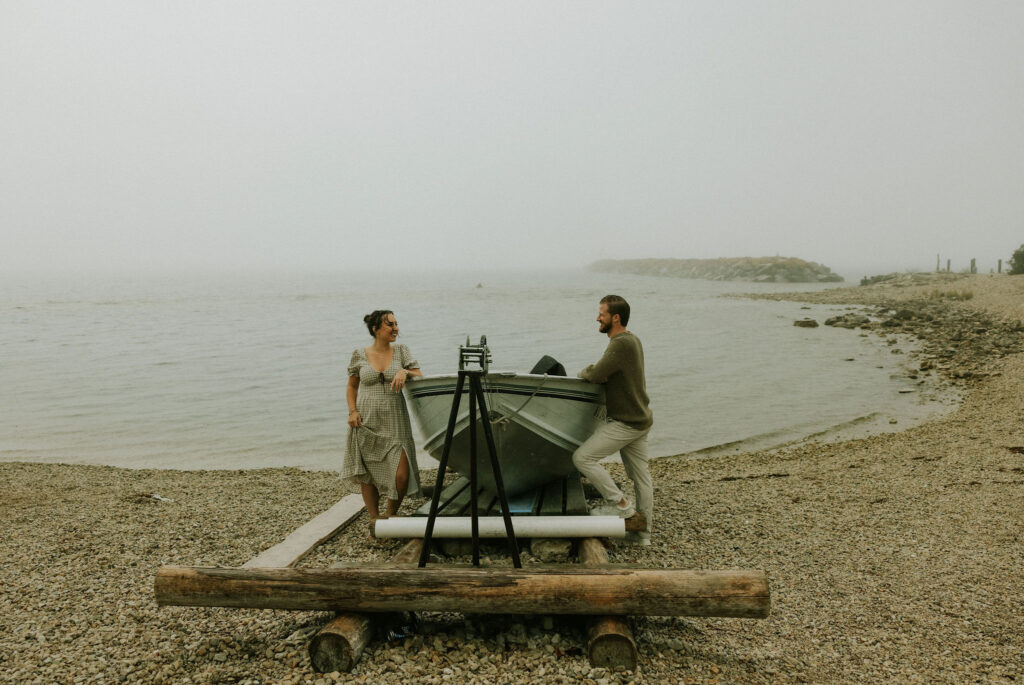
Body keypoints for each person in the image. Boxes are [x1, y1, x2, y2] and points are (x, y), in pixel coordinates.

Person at [572, 294, 654, 545]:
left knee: (582, 458)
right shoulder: (633, 340)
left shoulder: (620, 343)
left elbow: (595, 374)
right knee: (641, 477)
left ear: (615, 318)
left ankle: (620, 505)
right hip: (641, 419)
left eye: (602, 314)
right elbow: (607, 373)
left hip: (626, 422)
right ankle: (642, 536)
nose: (597, 318)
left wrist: (585, 370)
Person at [342, 309, 423, 535]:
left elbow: (420, 374)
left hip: (396, 421)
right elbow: (352, 386)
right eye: (390, 325)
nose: (396, 328)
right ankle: (374, 519)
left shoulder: (401, 351)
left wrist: (405, 372)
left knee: (401, 475)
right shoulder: (359, 354)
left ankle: (390, 514)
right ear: (376, 329)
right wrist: (352, 410)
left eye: (396, 323)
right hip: (366, 420)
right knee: (367, 473)